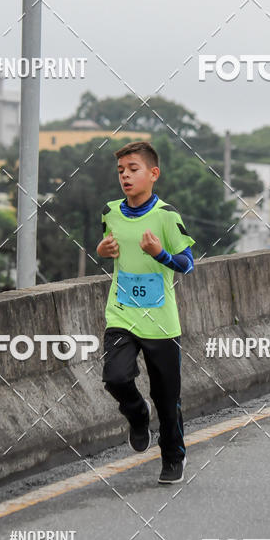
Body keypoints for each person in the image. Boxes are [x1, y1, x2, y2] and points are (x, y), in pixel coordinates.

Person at [96, 140, 195, 484]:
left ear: (153, 174)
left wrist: (160, 254)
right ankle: (137, 414)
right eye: (121, 170)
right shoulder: (110, 212)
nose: (125, 176)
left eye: (133, 169)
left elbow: (188, 264)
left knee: (167, 400)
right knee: (115, 378)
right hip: (121, 314)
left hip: (161, 322)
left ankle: (173, 457)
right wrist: (102, 250)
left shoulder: (167, 216)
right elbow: (110, 248)